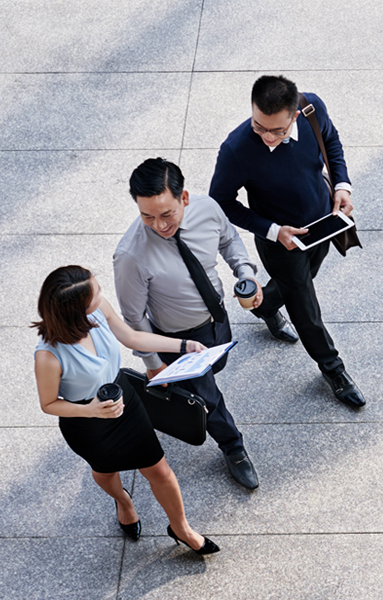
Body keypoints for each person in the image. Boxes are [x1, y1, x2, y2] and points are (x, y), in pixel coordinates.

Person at [32, 265, 219, 554]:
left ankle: (181, 528)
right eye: (95, 293)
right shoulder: (48, 356)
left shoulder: (96, 310)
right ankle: (123, 501)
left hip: (124, 401)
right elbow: (48, 404)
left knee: (160, 469)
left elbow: (132, 338)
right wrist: (92, 411)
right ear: (75, 309)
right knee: (105, 473)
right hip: (87, 422)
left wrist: (184, 345)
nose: (101, 294)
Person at [209, 74, 366, 408]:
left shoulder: (312, 109)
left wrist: (342, 186)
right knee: (305, 308)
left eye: (277, 130)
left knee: (306, 278)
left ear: (294, 115)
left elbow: (332, 141)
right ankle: (333, 369)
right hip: (279, 241)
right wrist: (272, 230)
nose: (267, 137)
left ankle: (264, 305)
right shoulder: (237, 149)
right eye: (258, 126)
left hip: (323, 222)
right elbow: (220, 201)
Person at [113, 157, 261, 490]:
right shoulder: (130, 256)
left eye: (166, 214)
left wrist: (245, 272)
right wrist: (153, 364)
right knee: (208, 395)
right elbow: (134, 318)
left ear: (185, 198)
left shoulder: (207, 209)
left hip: (217, 317)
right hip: (178, 337)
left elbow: (228, 240)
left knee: (217, 365)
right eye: (146, 216)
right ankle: (232, 446)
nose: (158, 225)